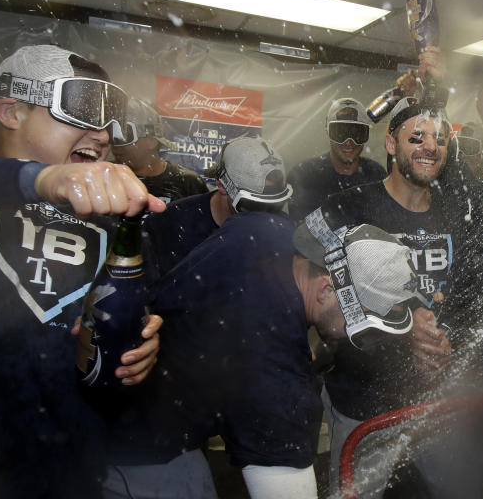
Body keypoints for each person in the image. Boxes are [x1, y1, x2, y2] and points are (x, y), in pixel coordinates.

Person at [0, 45, 162, 499]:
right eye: (83, 108)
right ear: (11, 111)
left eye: (109, 118)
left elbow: (117, 338)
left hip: (73, 475)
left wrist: (143, 347)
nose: (103, 132)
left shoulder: (116, 221)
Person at [102, 173, 423, 499]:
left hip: (115, 400)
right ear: (327, 288)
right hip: (140, 446)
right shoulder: (275, 382)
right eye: (362, 325)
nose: (353, 339)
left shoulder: (264, 229)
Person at [317, 95, 483, 498]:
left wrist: (451, 341)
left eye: (440, 138)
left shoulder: (457, 214)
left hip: (437, 403)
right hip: (364, 400)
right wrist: (402, 329)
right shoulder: (347, 207)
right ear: (391, 145)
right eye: (417, 137)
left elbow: (471, 296)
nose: (431, 146)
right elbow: (321, 303)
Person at [143, 135, 292, 277]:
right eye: (253, 205)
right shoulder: (167, 225)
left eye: (273, 206)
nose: (263, 216)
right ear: (222, 184)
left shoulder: (284, 230)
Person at [287, 97, 386, 222]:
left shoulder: (376, 174)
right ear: (327, 131)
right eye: (341, 133)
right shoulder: (304, 175)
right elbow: (302, 229)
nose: (349, 142)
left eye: (357, 134)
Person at [111, 97, 208, 204]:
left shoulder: (188, 183)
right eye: (112, 135)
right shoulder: (106, 177)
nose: (116, 145)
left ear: (152, 141)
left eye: (126, 135)